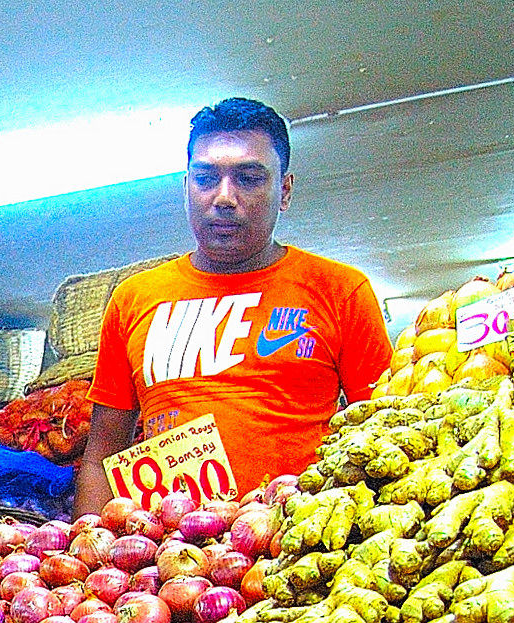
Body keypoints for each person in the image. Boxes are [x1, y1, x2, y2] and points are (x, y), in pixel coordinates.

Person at [77, 98, 393, 514]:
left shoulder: (340, 290)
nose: (224, 197)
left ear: (284, 190)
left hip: (298, 551)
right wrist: (87, 556)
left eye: (248, 178)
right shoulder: (135, 299)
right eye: (206, 178)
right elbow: (104, 446)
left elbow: (383, 432)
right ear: (185, 187)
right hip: (168, 559)